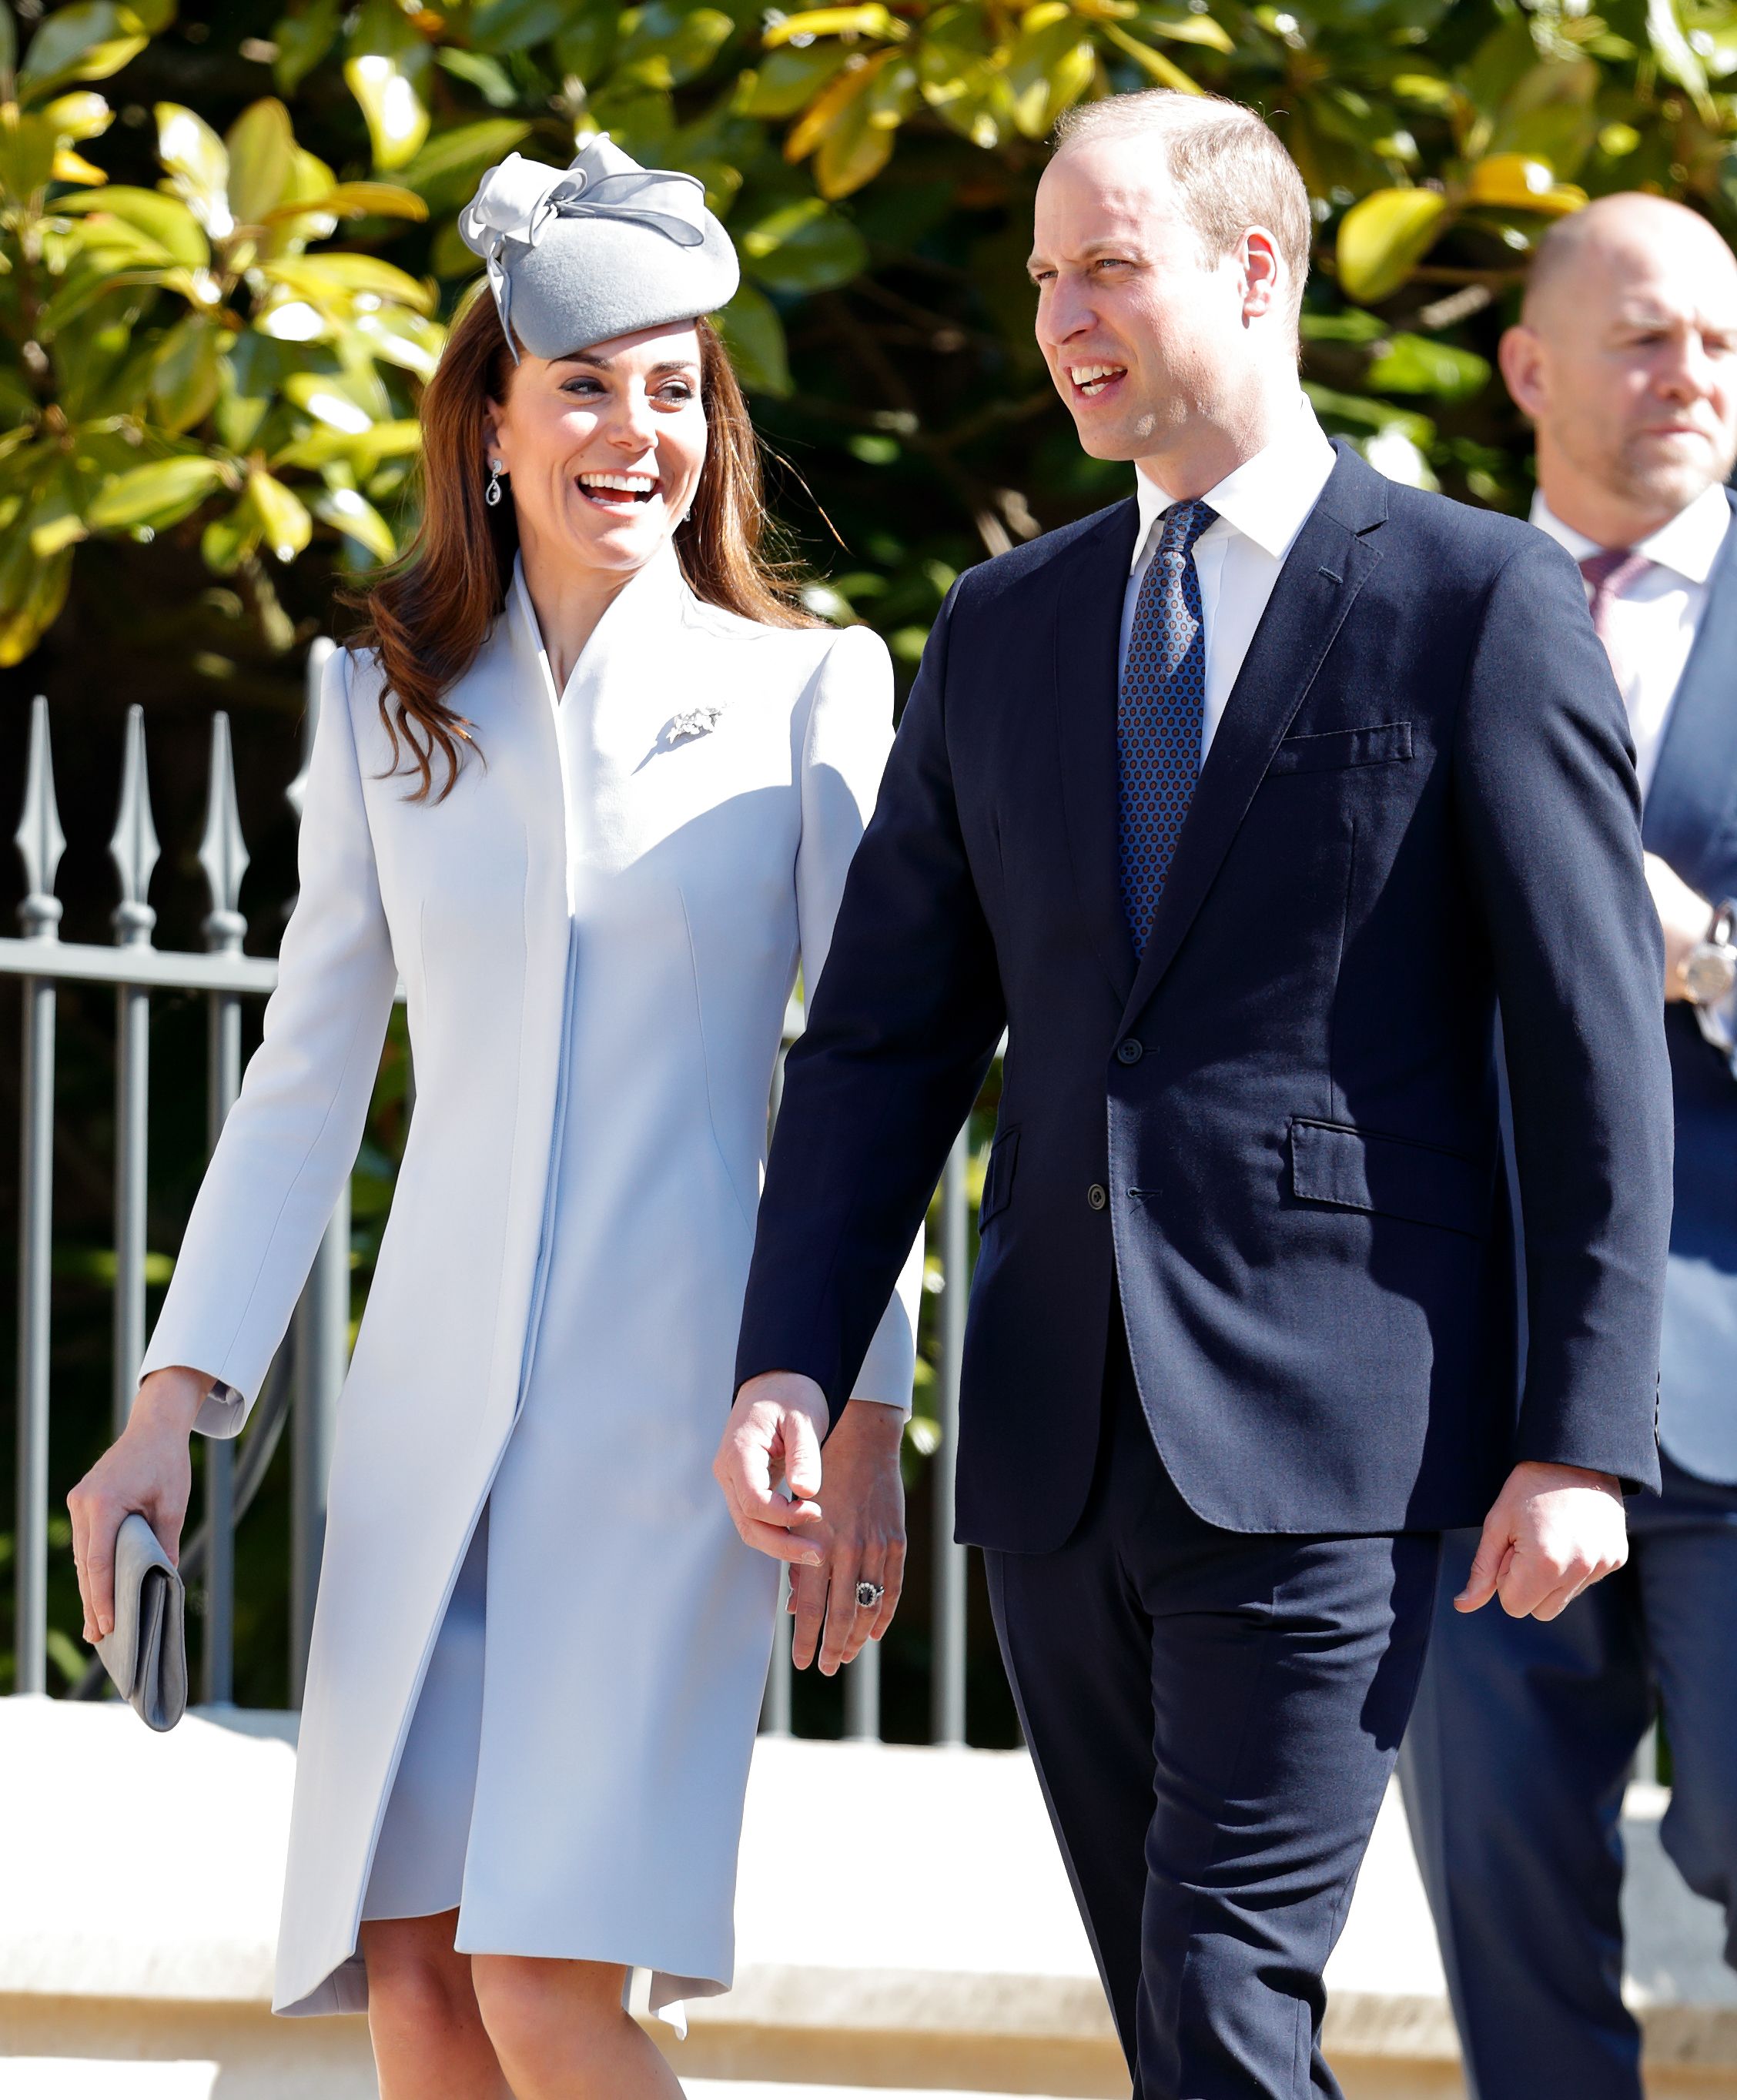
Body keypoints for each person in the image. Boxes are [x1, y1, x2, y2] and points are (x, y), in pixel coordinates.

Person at [713, 91, 1675, 2100]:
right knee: (1178, 2032)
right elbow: (885, 1036)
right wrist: (795, 1356)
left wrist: (1577, 1437)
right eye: (1047, 275)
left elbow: (1593, 1052)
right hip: (1064, 1452)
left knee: (1230, 1999)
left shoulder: (1474, 601)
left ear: (1255, 267)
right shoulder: (1005, 630)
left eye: (1108, 267)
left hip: (1336, 1439)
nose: (1064, 315)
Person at [66, 135, 919, 2100]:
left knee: (544, 1976)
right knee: (417, 1982)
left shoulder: (813, 693)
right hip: (422, 1429)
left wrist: (863, 1394)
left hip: (680, 1425)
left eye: (679, 385)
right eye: (590, 383)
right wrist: (173, 1401)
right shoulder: (384, 706)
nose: (642, 430)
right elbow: (301, 1081)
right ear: (496, 423)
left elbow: (868, 1082)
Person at [1399, 192, 1737, 2100]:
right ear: (1529, 368)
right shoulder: (1413, 610)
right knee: (1514, 1959)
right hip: (1460, 1406)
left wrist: (1704, 959)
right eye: (1644, 335)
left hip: (1731, 1390)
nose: (1690, 372)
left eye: (1718, 340)